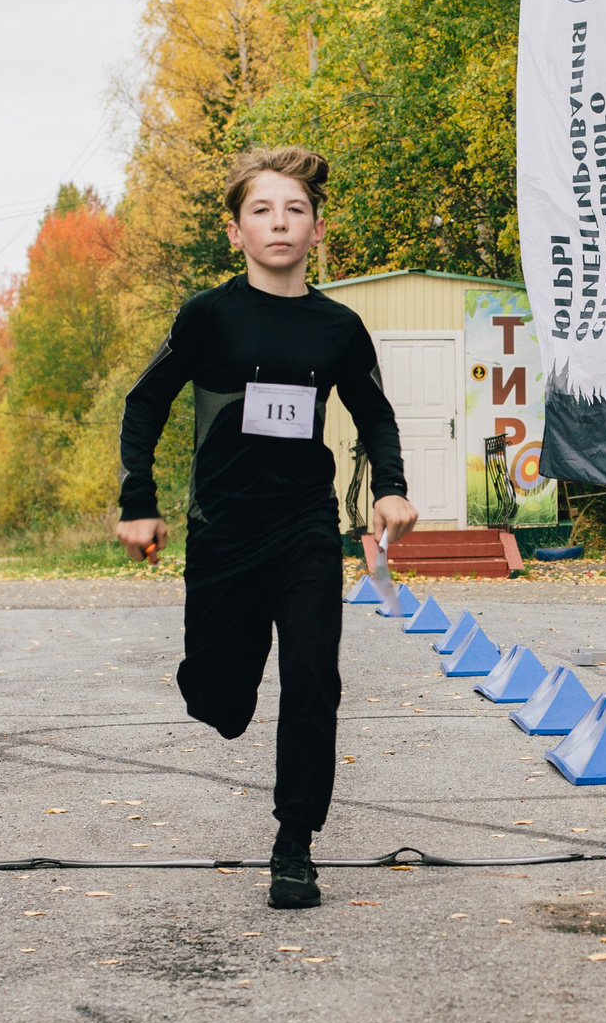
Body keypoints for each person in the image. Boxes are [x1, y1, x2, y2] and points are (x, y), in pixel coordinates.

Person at [116, 147, 417, 910]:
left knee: (314, 675)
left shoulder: (338, 328)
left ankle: (294, 843)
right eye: (262, 210)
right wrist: (137, 501)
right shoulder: (208, 317)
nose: (279, 222)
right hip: (222, 533)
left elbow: (375, 413)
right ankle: (217, 688)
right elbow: (143, 403)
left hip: (304, 528)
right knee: (220, 700)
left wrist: (391, 489)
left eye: (294, 210)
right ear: (235, 231)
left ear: (318, 229)